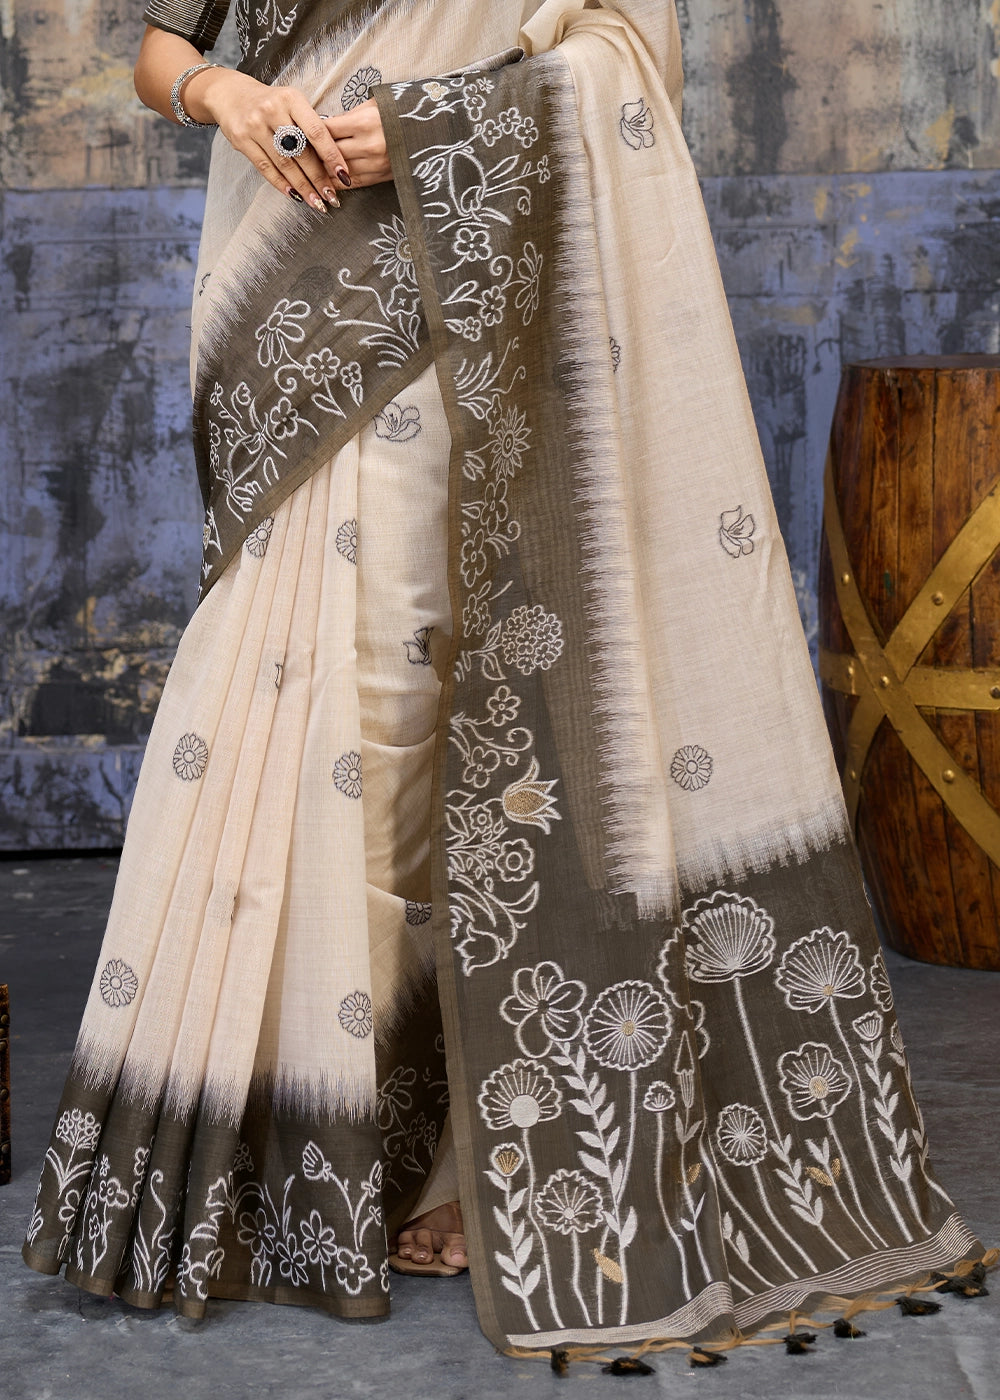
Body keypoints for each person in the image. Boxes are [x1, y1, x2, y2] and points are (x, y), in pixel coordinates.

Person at [24, 0, 989, 1361]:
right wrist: (226, 100)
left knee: (474, 721)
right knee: (336, 722)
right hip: (298, 305)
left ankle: (476, 1159)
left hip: (475, 287)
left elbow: (621, 54)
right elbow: (161, 52)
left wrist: (437, 126)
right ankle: (311, 1141)